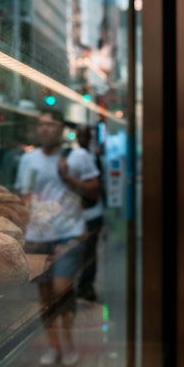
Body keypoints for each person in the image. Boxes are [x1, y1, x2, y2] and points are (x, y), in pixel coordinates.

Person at [16, 110, 100, 366]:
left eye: (50, 125)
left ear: (62, 128)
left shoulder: (78, 156)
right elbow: (25, 194)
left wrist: (68, 177)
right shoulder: (29, 159)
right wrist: (31, 207)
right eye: (41, 125)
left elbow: (95, 191)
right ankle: (54, 346)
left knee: (61, 290)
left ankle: (69, 343)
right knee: (45, 297)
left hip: (69, 234)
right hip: (38, 237)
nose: (45, 130)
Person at [75, 125, 104, 302]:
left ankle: (86, 285)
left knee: (89, 252)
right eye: (80, 135)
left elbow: (97, 188)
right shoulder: (73, 157)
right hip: (77, 214)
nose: (82, 139)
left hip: (92, 213)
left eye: (85, 135)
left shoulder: (94, 158)